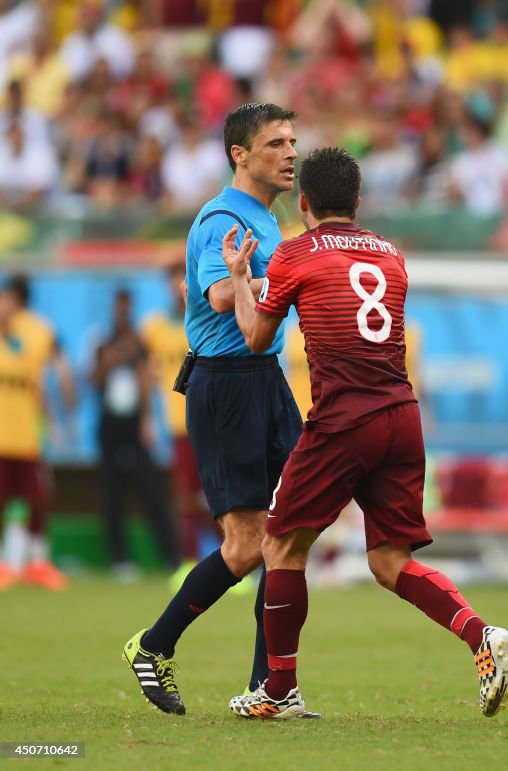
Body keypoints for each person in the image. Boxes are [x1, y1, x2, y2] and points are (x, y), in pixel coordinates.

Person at [222, 147, 508, 720]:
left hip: (342, 419)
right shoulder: (392, 255)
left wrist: (239, 282)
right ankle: (482, 637)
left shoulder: (294, 253)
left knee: (281, 545)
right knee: (389, 561)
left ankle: (279, 690)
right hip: (401, 416)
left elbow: (256, 339)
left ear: (303, 203)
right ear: (357, 203)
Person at [122, 103, 311, 717]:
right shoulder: (223, 216)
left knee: (286, 534)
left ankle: (269, 689)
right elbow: (218, 292)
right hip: (227, 384)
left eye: (292, 141)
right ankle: (153, 644)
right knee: (248, 542)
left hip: (265, 378)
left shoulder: (266, 216)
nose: (290, 153)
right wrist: (273, 281)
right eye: (276, 143)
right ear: (240, 154)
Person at [92, 288, 180, 578]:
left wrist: (147, 421)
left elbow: (145, 381)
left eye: (126, 307)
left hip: (133, 424)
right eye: (118, 307)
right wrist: (113, 358)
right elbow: (94, 380)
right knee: (111, 492)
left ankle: (171, 556)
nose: (122, 312)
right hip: (109, 423)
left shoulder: (140, 342)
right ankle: (119, 559)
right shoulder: (102, 343)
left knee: (150, 489)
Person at [0, 275, 76, 591]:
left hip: (27, 438)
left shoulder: (34, 336)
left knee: (38, 499)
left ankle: (37, 563)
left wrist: (58, 422)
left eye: (9, 301)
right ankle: (8, 565)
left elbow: (43, 384)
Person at [140, 259, 211, 587]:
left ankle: (237, 559)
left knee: (218, 493)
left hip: (212, 419)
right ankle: (189, 562)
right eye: (171, 280)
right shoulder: (154, 327)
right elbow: (145, 375)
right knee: (184, 494)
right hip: (177, 422)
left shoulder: (210, 316)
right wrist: (146, 419)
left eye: (181, 279)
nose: (176, 286)